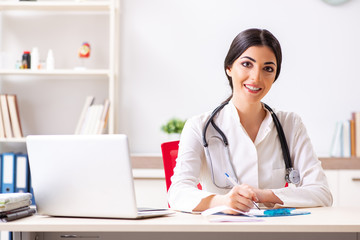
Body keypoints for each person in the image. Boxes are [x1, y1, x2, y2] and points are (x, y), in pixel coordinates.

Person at [167, 28, 333, 214]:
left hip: (275, 230)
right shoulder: (199, 126)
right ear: (229, 68)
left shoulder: (290, 124)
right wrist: (223, 201)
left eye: (268, 69)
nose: (256, 77)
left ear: (275, 76)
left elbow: (321, 192)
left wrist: (263, 195)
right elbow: (177, 194)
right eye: (247, 64)